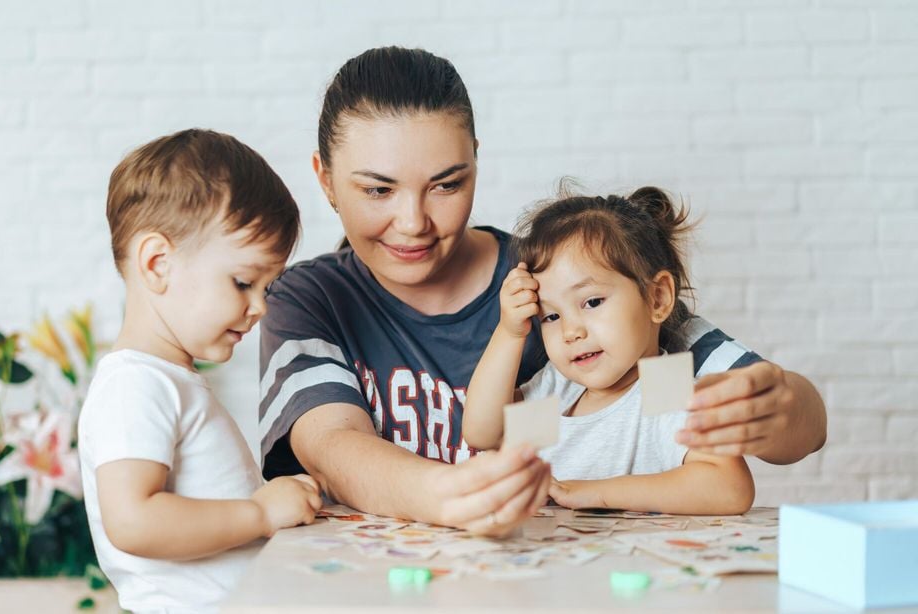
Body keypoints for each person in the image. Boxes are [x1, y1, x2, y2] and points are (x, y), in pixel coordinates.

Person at [258, 46, 826, 536]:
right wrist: (457, 492)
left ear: (477, 163)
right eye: (378, 190)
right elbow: (333, 449)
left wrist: (780, 409)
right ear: (327, 180)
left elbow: (776, 421)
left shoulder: (555, 276)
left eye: (447, 185)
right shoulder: (311, 299)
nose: (413, 222)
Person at [78, 129, 322, 613]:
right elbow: (133, 521)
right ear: (157, 264)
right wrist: (259, 511)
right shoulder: (134, 386)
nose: (259, 308)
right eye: (243, 282)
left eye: (266, 288)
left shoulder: (170, 382)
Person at [462, 185, 755, 514]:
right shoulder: (561, 395)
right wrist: (510, 332)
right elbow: (483, 432)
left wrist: (596, 493)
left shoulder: (662, 386)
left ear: (657, 298)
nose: (571, 331)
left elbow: (730, 488)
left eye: (592, 302)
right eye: (551, 316)